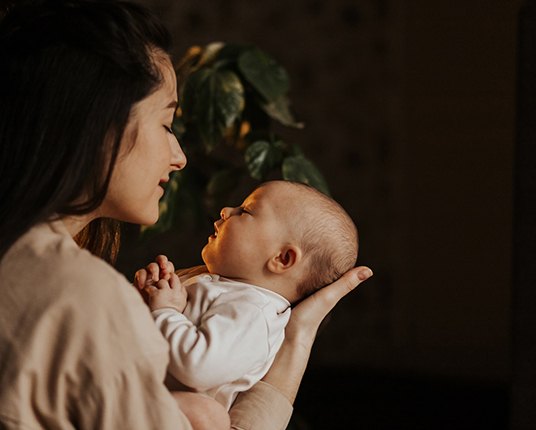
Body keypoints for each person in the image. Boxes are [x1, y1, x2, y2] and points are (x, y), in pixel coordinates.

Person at [0, 0, 373, 429]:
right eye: (165, 124)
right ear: (97, 124)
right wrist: (295, 344)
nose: (179, 157)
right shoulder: (79, 294)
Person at [134, 180, 359, 414]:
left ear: (282, 259)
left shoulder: (255, 314)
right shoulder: (226, 286)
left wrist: (165, 311)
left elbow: (198, 365)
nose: (226, 210)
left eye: (246, 211)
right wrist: (150, 296)